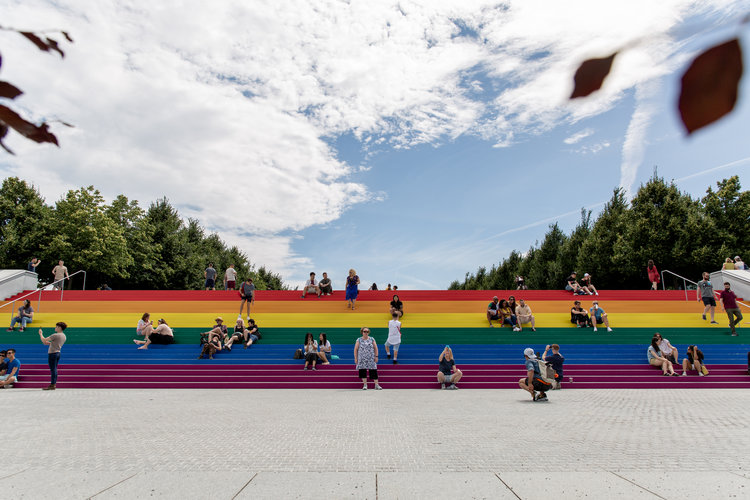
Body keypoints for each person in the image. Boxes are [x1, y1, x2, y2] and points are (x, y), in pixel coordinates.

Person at [39, 322, 67, 390]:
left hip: (52, 353)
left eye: (56, 327)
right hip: (58, 353)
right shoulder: (64, 336)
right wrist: (50, 344)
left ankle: (53, 384)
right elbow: (54, 344)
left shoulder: (56, 335)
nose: (55, 328)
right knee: (54, 369)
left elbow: (44, 340)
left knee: (53, 369)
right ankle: (53, 384)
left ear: (59, 328)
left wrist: (40, 334)